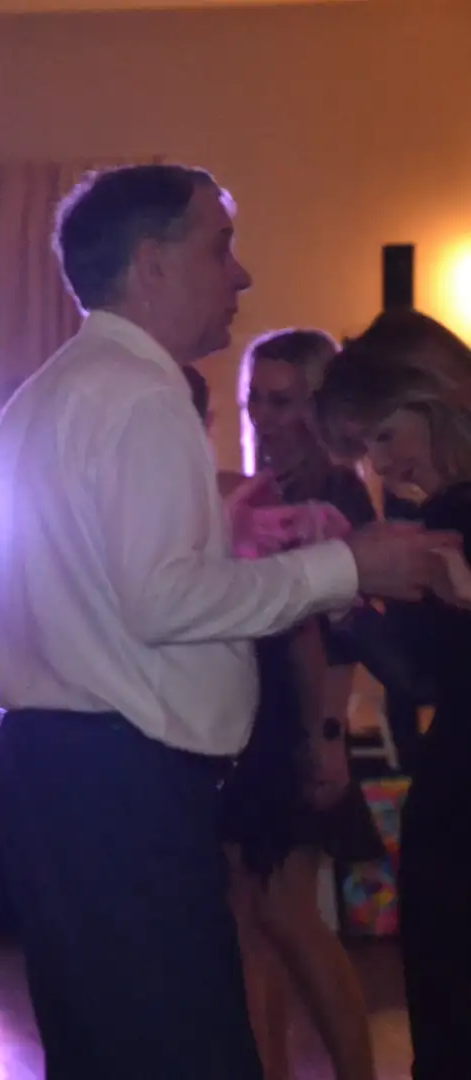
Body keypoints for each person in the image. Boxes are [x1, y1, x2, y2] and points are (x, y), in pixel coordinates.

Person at [0, 163, 455, 1080]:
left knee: (106, 1050)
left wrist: (225, 543)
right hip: (119, 782)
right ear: (152, 264)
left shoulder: (52, 388)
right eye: (221, 247)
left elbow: (104, 587)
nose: (240, 275)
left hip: (63, 772)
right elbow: (162, 601)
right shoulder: (141, 393)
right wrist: (349, 565)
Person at [196, 346, 385, 1080]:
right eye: (256, 400)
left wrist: (326, 733)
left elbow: (343, 633)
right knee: (249, 917)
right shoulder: (258, 491)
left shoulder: (339, 496)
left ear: (317, 406)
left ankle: (357, 1071)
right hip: (250, 716)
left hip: (296, 720)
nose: (265, 417)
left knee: (286, 913)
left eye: (284, 400)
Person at [315, 310, 471, 1080]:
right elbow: (428, 675)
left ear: (430, 397)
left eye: (383, 436)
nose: (381, 464)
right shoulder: (434, 515)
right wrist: (351, 608)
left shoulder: (449, 516)